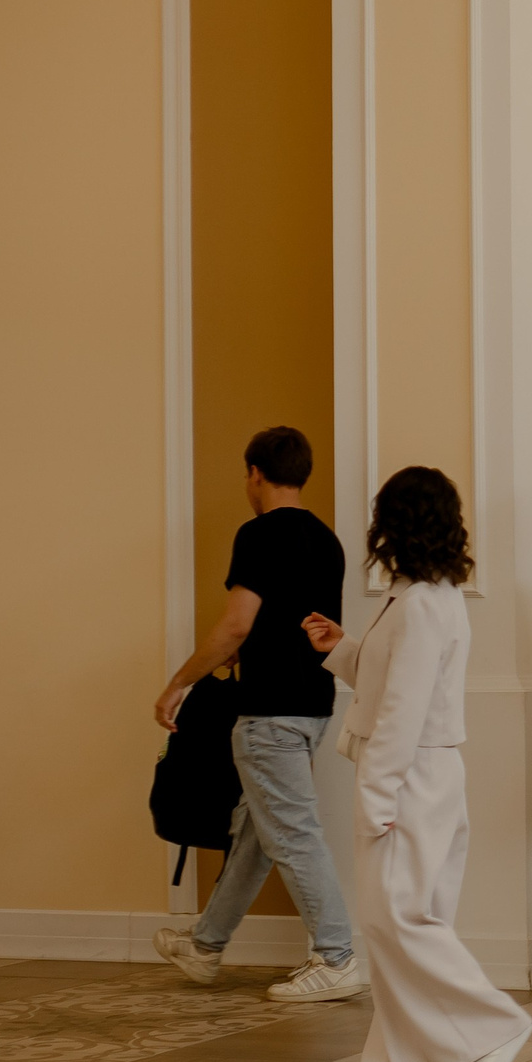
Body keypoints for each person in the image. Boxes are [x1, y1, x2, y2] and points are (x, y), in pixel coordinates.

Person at [301, 466, 532, 1062]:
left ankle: (491, 1028)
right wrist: (343, 647)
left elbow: (402, 713)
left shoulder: (423, 603)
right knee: (399, 921)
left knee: (398, 919)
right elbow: (394, 680)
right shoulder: (422, 596)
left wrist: (376, 799)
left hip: (410, 777)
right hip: (421, 773)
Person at [151, 426, 364, 1003]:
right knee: (255, 830)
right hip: (314, 707)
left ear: (255, 473)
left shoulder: (258, 534)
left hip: (269, 712)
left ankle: (337, 956)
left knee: (291, 833)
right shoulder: (327, 540)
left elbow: (236, 624)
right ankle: (205, 945)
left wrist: (177, 685)